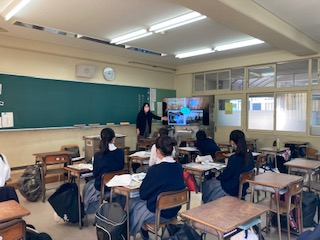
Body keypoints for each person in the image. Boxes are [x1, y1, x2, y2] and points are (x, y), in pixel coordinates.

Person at [129, 135, 185, 239]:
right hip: (174, 211)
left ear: (157, 151)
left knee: (132, 203)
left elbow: (143, 194)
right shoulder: (179, 166)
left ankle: (141, 228)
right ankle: (144, 228)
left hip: (158, 215)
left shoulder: (155, 170)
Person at [202, 130, 254, 203]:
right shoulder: (249, 155)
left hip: (231, 188)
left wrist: (217, 177)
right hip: (243, 187)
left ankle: (206, 205)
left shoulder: (234, 158)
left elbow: (226, 175)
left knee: (207, 184)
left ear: (232, 142)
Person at [83, 128, 124, 214]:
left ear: (101, 139)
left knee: (87, 186)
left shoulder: (98, 155)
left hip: (103, 187)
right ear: (114, 139)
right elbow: (121, 167)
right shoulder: (121, 153)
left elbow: (95, 174)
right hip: (117, 186)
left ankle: (85, 210)